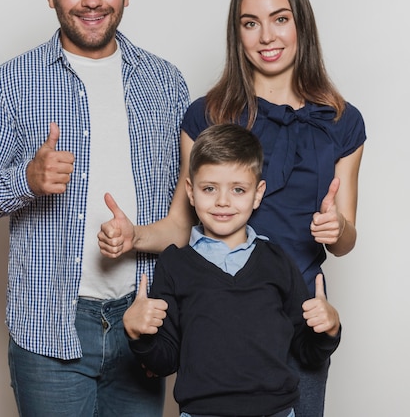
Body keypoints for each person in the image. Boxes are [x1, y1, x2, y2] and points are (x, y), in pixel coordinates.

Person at [99, 0, 366, 416]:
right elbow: (180, 227)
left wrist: (336, 228)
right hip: (217, 318)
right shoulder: (205, 114)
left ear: (301, 24)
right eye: (250, 23)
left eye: (280, 18)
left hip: (300, 317)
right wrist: (133, 237)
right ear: (237, 33)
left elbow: (346, 240)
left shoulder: (342, 121)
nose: (266, 36)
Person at [0, 0, 189, 417]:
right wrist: (27, 181)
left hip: (142, 318)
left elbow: (188, 210)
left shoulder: (164, 82)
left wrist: (172, 320)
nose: (92, 0)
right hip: (49, 326)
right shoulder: (11, 84)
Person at [123, 124, 341, 417]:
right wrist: (139, 335)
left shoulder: (278, 261)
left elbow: (307, 353)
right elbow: (165, 361)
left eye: (238, 189)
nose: (223, 201)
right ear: (190, 190)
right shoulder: (174, 265)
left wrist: (329, 329)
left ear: (257, 193)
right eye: (209, 188)